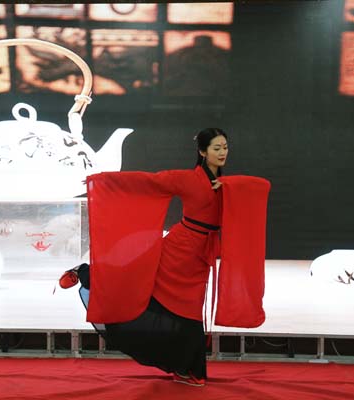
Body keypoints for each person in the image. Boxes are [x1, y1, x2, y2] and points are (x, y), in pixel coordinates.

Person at [60, 128, 270, 387]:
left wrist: (228, 185)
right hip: (179, 249)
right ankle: (85, 273)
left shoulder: (229, 184)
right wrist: (104, 181)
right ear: (202, 151)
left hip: (200, 255)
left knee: (187, 311)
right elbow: (148, 181)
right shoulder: (187, 179)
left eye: (225, 147)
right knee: (140, 287)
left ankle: (186, 368)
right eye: (216, 148)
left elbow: (262, 186)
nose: (222, 152)